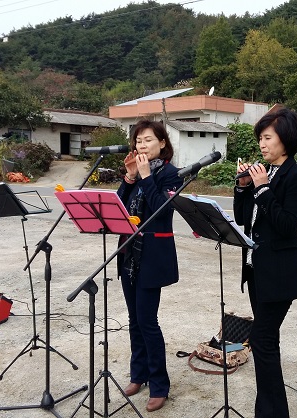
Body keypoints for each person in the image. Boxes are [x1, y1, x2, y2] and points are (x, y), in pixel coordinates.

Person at [233, 108, 297, 418]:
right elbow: (243, 219)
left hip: (280, 274)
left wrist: (263, 189)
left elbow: (288, 225)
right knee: (268, 341)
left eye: (268, 138)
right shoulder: (264, 171)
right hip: (257, 270)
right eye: (261, 139)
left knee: (263, 341)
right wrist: (243, 187)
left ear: (286, 138)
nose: (262, 144)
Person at [116, 120, 182, 412]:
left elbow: (161, 211)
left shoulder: (171, 174)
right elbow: (117, 207)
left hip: (153, 255)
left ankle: (159, 385)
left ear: (162, 143)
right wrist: (130, 178)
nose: (141, 146)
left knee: (147, 322)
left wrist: (144, 176)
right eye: (138, 142)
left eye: (147, 141)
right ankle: (138, 374)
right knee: (133, 320)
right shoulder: (135, 173)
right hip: (129, 254)